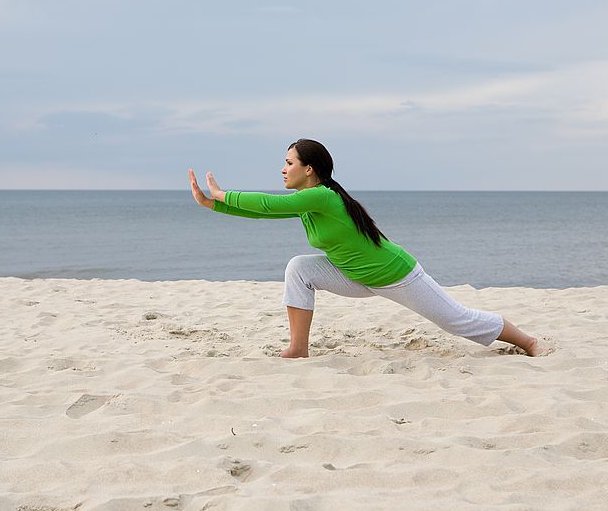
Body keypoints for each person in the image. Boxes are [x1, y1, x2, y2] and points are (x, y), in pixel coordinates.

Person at [188, 138, 542, 359]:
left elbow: (266, 205)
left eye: (289, 163)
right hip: (355, 276)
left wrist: (223, 194)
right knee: (300, 268)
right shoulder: (307, 201)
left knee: (457, 321)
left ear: (309, 170)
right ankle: (298, 348)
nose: (283, 169)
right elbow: (265, 213)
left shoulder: (321, 197)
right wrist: (213, 205)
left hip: (396, 275)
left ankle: (528, 342)